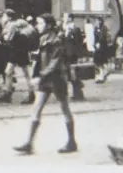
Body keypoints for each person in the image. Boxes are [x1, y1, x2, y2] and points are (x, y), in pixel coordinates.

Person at [14, 13, 77, 155]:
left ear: (48, 25)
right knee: (36, 109)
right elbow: (40, 61)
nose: (37, 26)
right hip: (45, 80)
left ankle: (72, 142)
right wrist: (36, 74)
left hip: (57, 79)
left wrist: (39, 77)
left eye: (40, 23)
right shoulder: (42, 38)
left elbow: (54, 64)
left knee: (64, 108)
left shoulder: (57, 40)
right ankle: (29, 143)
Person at [0, 9, 35, 105]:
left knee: (16, 72)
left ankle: (11, 93)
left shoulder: (12, 25)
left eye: (4, 16)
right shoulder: (14, 25)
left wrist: (3, 37)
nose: (2, 18)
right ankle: (10, 92)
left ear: (9, 17)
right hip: (20, 50)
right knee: (12, 72)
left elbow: (8, 39)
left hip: (17, 50)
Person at [62, 13, 85, 101]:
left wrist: (80, 56)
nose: (63, 19)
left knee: (74, 74)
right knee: (71, 75)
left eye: (65, 17)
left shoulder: (75, 29)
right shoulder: (65, 29)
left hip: (72, 56)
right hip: (66, 55)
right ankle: (78, 91)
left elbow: (79, 44)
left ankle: (78, 93)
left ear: (70, 19)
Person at [94, 16, 111, 83]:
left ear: (100, 21)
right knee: (98, 62)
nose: (96, 22)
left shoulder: (104, 28)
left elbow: (102, 37)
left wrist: (99, 43)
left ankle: (102, 76)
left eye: (97, 21)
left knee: (101, 62)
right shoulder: (96, 28)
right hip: (97, 47)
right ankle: (101, 75)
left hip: (102, 47)